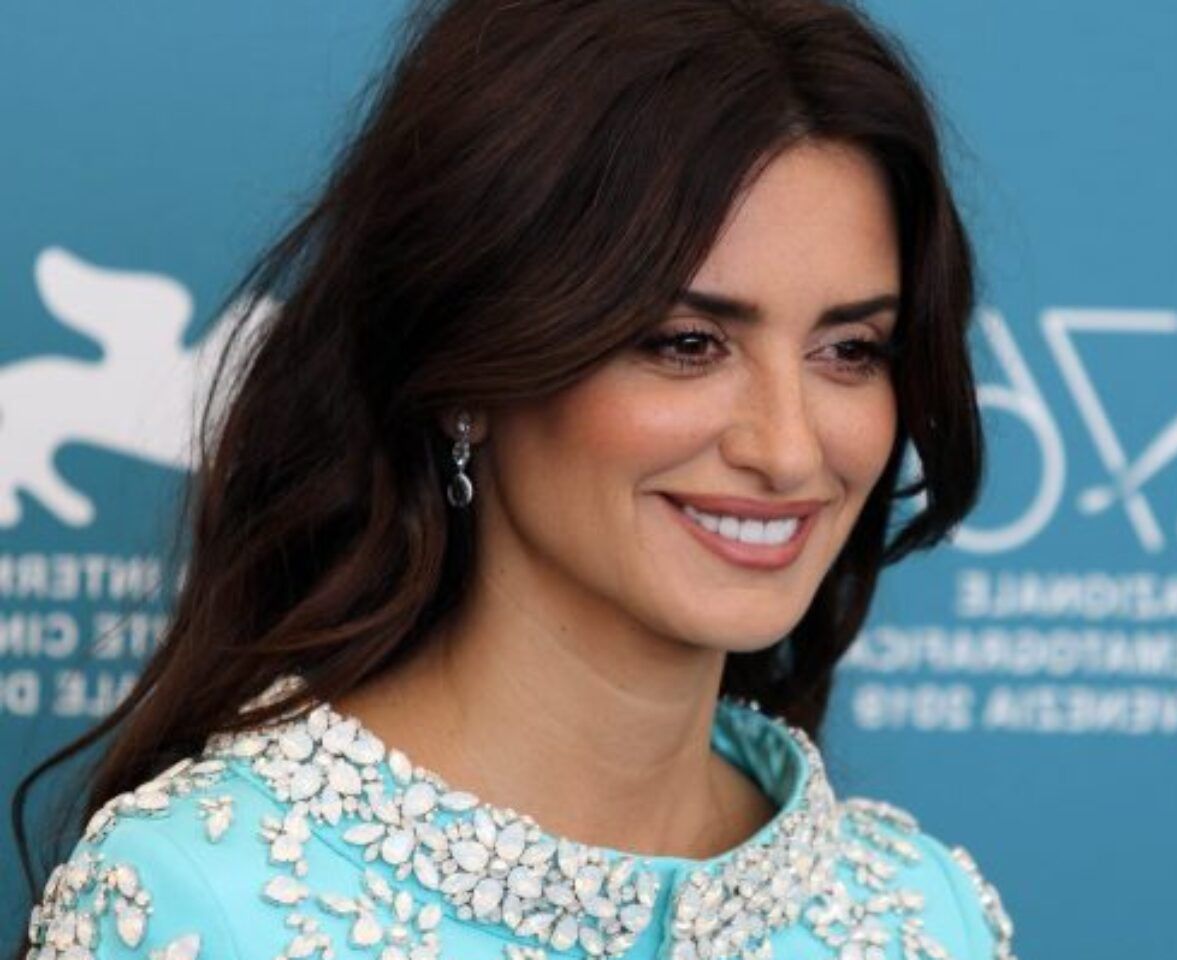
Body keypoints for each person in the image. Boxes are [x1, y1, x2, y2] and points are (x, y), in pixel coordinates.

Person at [11, 1, 1017, 957]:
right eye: (687, 342)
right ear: (470, 372)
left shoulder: (922, 917)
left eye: (850, 351)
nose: (789, 450)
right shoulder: (204, 900)